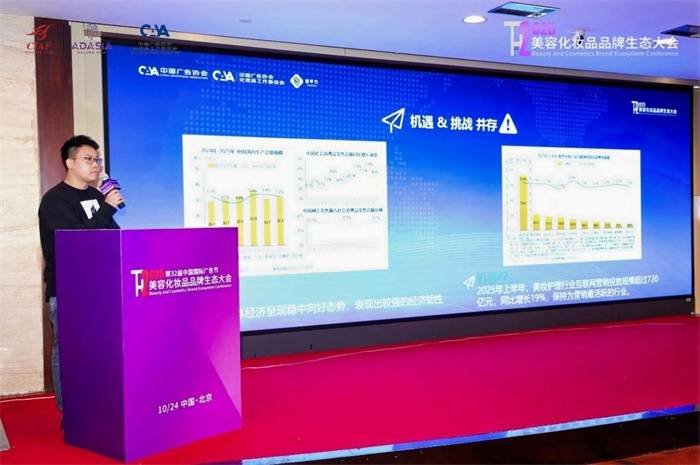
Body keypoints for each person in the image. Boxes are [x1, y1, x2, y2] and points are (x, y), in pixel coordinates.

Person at [38, 135, 123, 416]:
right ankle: (71, 412)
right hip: (69, 289)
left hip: (101, 289)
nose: (96, 165)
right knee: (68, 352)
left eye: (98, 160)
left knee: (99, 350)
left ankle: (97, 405)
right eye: (89, 159)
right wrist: (107, 207)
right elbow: (75, 243)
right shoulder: (55, 200)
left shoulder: (97, 196)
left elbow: (113, 237)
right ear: (70, 162)